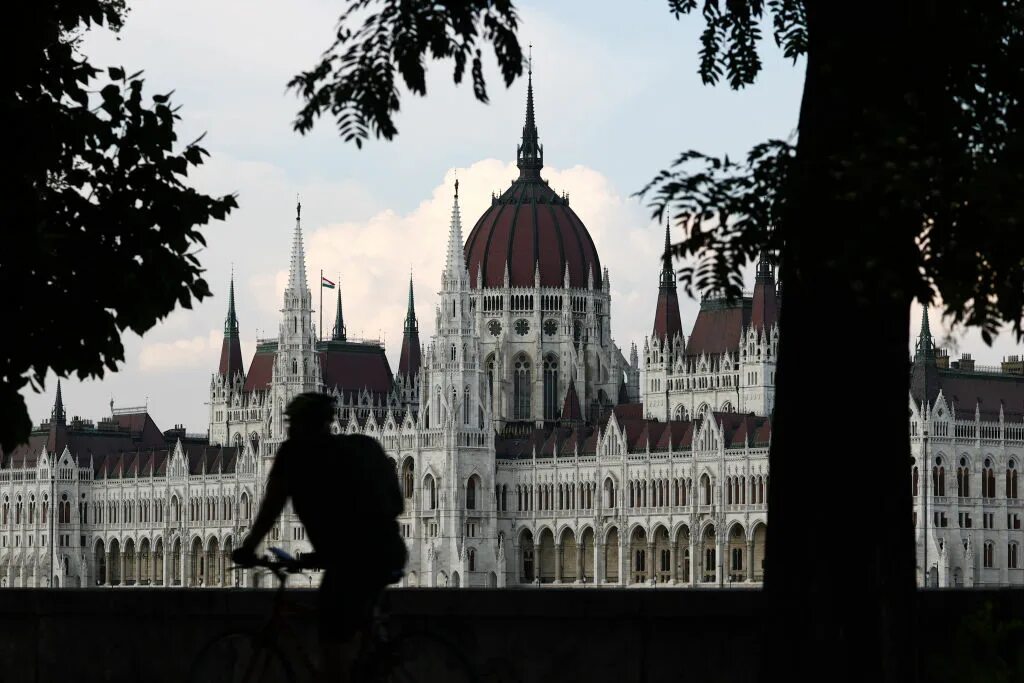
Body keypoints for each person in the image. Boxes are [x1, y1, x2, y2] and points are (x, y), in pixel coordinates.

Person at [231, 392, 406, 682]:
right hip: (386, 549)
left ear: (301, 425)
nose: (288, 429)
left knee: (332, 634)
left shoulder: (295, 455)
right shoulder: (356, 449)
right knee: (348, 632)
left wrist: (249, 547)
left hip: (357, 560)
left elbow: (271, 507)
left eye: (292, 423)